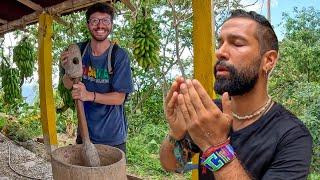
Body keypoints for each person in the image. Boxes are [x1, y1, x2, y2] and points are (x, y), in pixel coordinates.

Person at [159, 9, 312, 179]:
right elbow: (171, 165)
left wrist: (216, 146)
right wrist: (176, 133)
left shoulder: (292, 136)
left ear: (268, 60)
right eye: (220, 43)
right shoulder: (211, 113)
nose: (220, 52)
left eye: (237, 43)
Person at [60, 2, 133, 153]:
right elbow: (68, 84)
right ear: (88, 25)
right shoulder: (78, 50)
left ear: (111, 25)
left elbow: (119, 98)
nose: (100, 26)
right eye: (94, 21)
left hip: (112, 138)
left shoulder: (119, 56)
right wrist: (68, 70)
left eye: (105, 21)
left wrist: (88, 95)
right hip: (84, 134)